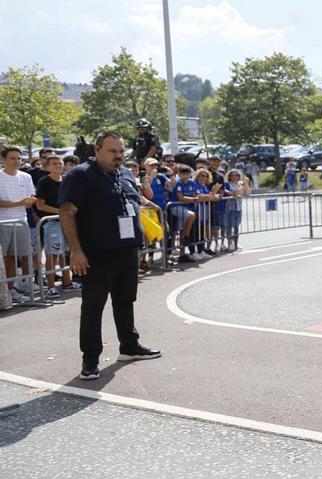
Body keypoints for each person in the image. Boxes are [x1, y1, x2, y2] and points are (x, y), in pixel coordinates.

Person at [58, 131, 161, 380]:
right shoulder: (80, 175)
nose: (118, 156)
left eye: (121, 151)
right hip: (96, 254)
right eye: (112, 151)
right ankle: (90, 360)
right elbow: (67, 212)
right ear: (97, 150)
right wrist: (77, 251)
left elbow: (133, 201)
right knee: (93, 308)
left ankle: (129, 346)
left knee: (125, 301)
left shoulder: (125, 173)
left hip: (126, 251)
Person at [35, 155, 81, 297]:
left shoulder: (67, 180)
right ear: (47, 167)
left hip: (67, 223)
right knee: (52, 255)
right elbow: (40, 205)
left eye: (60, 163)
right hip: (51, 223)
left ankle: (67, 282)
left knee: (65, 253)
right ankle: (51, 286)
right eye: (54, 164)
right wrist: (61, 213)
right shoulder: (44, 182)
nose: (58, 166)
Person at [0, 146, 36, 304]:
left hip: (22, 222)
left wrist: (29, 201)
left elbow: (31, 197)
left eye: (19, 158)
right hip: (3, 223)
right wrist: (19, 202)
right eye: (12, 158)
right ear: (3, 160)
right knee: (7, 259)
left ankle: (15, 288)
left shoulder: (26, 176)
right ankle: (7, 292)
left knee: (22, 256)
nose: (16, 161)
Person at [171, 165, 200, 262]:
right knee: (191, 216)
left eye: (187, 174)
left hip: (187, 208)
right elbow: (181, 198)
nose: (185, 176)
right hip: (177, 207)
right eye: (183, 174)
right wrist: (194, 199)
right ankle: (187, 238)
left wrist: (197, 198)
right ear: (180, 174)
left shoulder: (192, 182)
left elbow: (195, 194)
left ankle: (182, 254)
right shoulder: (178, 183)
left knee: (183, 230)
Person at [222, 169, 250, 251]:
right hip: (230, 208)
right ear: (229, 176)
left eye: (236, 175)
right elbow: (234, 193)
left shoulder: (240, 184)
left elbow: (248, 193)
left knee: (236, 226)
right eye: (232, 175)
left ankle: (236, 243)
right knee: (229, 226)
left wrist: (246, 184)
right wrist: (243, 186)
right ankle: (230, 243)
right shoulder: (227, 184)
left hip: (238, 208)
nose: (234, 177)